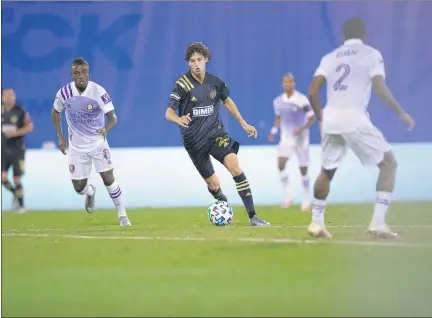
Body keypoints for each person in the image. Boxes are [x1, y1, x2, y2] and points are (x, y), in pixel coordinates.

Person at [307, 18, 415, 239]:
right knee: (388, 163)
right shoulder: (371, 54)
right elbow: (380, 88)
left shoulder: (330, 58)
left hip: (330, 119)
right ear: (364, 35)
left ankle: (316, 223)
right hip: (354, 118)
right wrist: (400, 112)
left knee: (326, 171)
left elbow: (312, 92)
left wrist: (321, 119)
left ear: (343, 36)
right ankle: (378, 222)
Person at [165, 42, 270, 226]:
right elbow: (169, 112)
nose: (196, 64)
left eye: (199, 59)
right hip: (194, 142)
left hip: (215, 135)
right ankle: (223, 203)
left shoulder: (215, 82)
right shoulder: (182, 85)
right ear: (188, 63)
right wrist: (178, 119)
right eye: (192, 61)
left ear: (206, 59)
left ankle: (253, 216)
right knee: (213, 185)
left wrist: (244, 124)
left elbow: (228, 102)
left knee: (234, 166)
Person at [51, 57, 131, 226]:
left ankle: (122, 215)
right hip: (76, 147)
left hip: (97, 143)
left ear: (88, 72)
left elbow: (113, 117)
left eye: (84, 72)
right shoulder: (64, 93)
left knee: (108, 178)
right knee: (78, 187)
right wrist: (60, 136)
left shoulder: (98, 91)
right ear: (72, 75)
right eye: (76, 73)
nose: (81, 76)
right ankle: (89, 191)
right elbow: (55, 112)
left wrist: (105, 129)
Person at [269, 73, 315, 211]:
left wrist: (302, 129)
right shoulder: (278, 101)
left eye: (290, 81)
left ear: (294, 83)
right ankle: (288, 196)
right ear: (283, 84)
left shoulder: (302, 100)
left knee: (303, 168)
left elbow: (312, 118)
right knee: (281, 163)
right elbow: (278, 117)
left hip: (301, 138)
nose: (288, 84)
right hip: (287, 137)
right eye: (285, 82)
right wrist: (273, 131)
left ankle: (306, 199)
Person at [1, 88, 34, 213]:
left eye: (12, 95)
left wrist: (16, 132)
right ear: (2, 98)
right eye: (7, 95)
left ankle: (21, 206)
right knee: (2, 178)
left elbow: (30, 126)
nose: (10, 98)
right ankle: (15, 193)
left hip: (17, 151)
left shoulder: (20, 112)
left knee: (16, 179)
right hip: (3, 150)